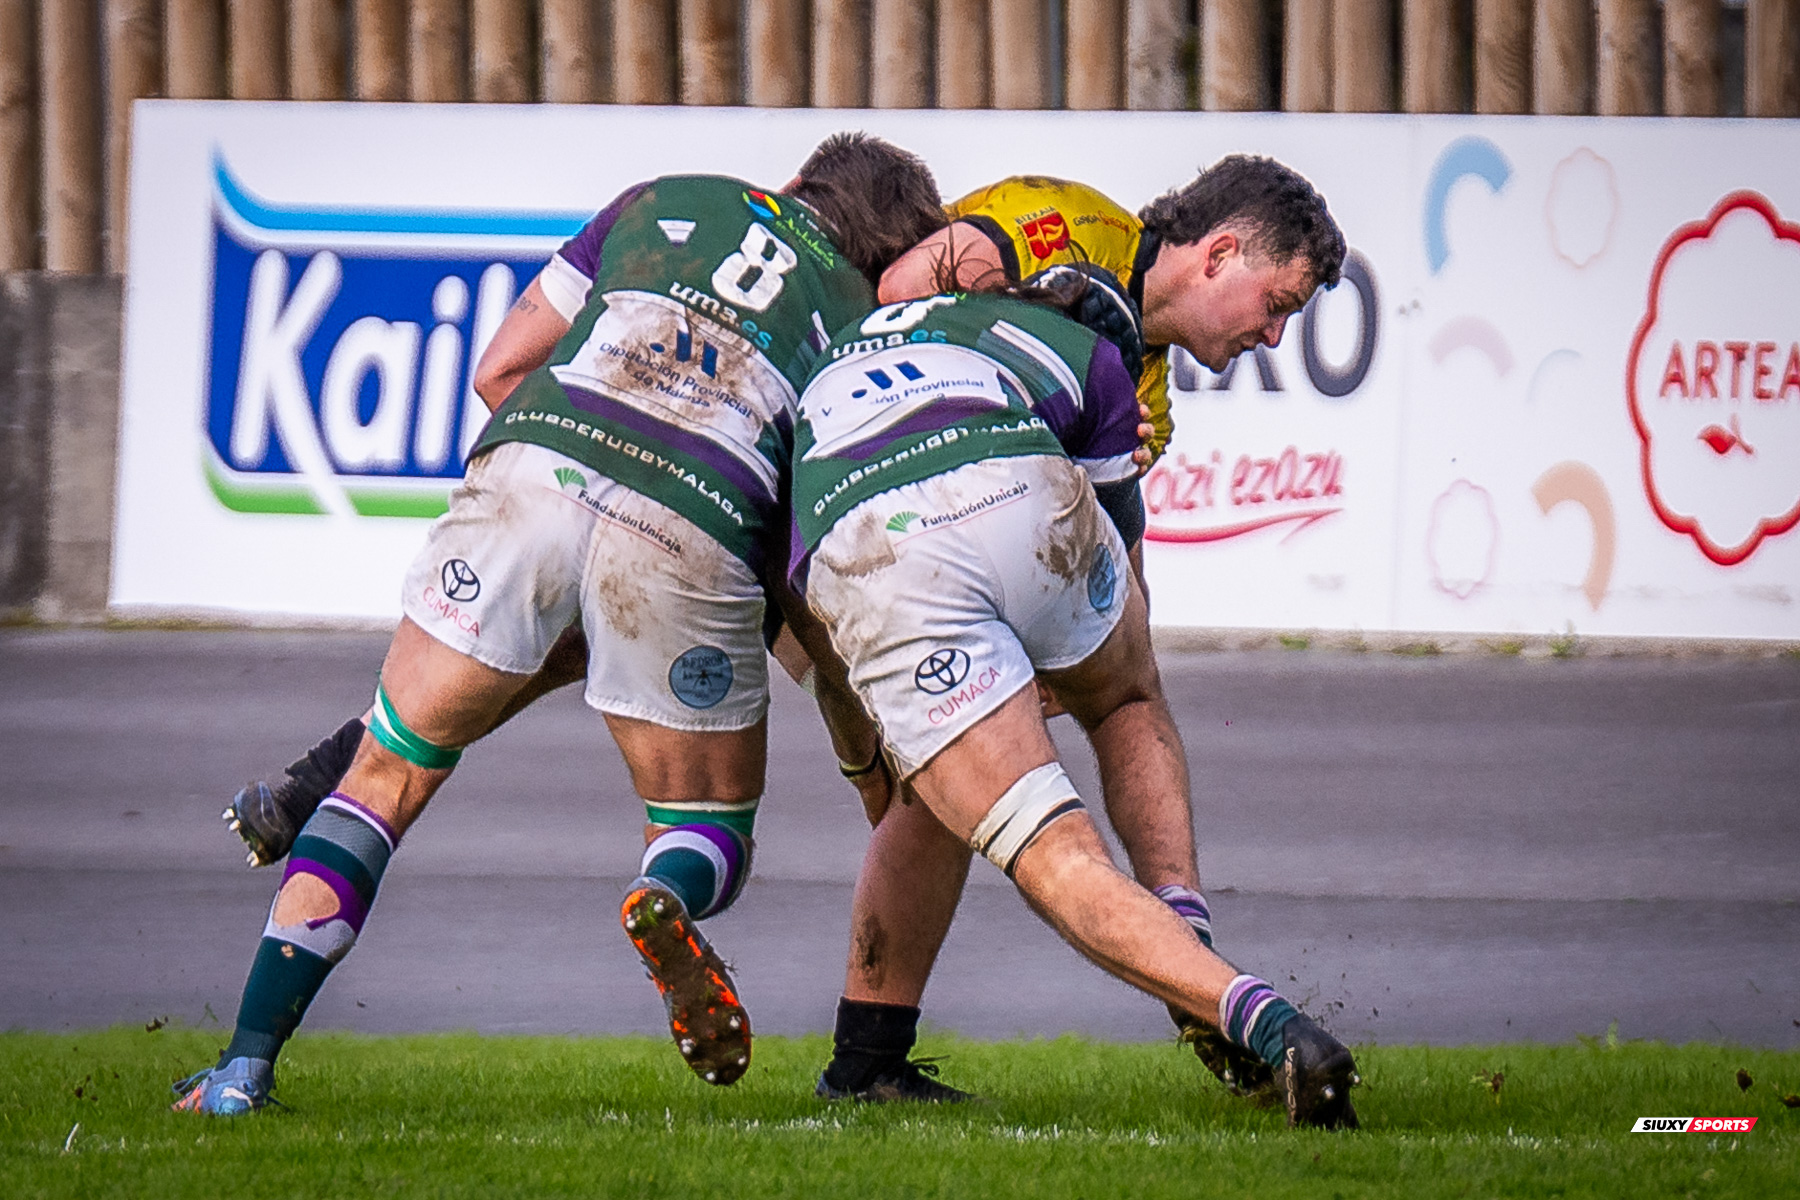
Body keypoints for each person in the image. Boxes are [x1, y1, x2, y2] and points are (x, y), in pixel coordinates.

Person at [173, 135, 948, 1115]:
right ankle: (663, 895)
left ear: (795, 183)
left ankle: (241, 1069)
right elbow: (805, 549)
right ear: (887, 252)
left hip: (539, 456)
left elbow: (501, 367)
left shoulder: (664, 195)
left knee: (386, 779)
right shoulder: (856, 317)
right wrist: (857, 736)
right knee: (704, 825)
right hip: (698, 509)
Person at [813, 156, 1346, 1102]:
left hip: (874, 505)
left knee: (1075, 717)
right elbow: (896, 292)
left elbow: (1119, 581)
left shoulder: (1149, 399)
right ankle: (1206, 982)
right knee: (1065, 750)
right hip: (865, 458)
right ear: (1219, 252)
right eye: (1278, 304)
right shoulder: (1063, 217)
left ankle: (1179, 948)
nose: (1273, 335)